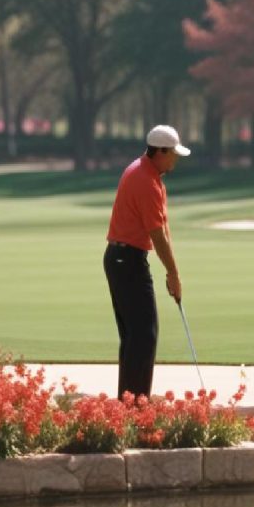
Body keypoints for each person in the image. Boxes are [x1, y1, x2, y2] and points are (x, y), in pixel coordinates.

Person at [104, 125, 190, 399]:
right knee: (143, 336)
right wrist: (173, 273)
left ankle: (128, 405)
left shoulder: (148, 174)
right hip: (127, 259)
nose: (176, 159)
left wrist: (171, 273)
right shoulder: (146, 181)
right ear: (160, 152)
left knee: (135, 337)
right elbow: (156, 234)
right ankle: (135, 408)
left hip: (122, 258)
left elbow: (163, 229)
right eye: (173, 153)